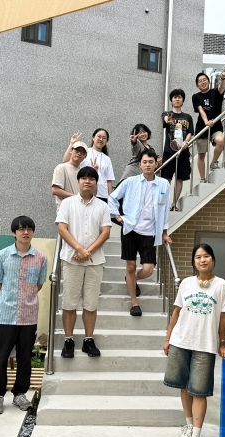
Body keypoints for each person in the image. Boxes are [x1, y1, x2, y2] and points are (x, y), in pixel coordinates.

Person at [163, 243, 225, 437]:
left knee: (199, 391)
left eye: (206, 256)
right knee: (184, 386)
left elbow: (223, 317)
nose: (202, 260)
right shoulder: (186, 283)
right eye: (198, 257)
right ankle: (188, 428)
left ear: (213, 259)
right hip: (181, 341)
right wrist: (168, 338)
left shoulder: (221, 285)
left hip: (205, 344)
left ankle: (196, 436)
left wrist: (222, 343)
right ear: (193, 262)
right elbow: (176, 312)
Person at [0, 216, 48, 415]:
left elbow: (38, 284)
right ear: (14, 232)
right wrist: (7, 301)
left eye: (29, 229)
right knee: (0, 357)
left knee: (25, 357)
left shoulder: (41, 258)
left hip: (29, 315)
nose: (26, 232)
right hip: (5, 315)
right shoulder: (2, 255)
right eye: (21, 229)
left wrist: (26, 300)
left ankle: (20, 394)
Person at [109, 148, 172, 316]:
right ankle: (134, 302)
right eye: (145, 162)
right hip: (130, 229)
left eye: (151, 162)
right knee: (130, 266)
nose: (148, 165)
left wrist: (164, 233)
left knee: (148, 269)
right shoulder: (130, 182)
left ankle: (132, 279)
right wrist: (117, 215)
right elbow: (112, 197)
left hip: (150, 231)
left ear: (156, 163)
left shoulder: (164, 184)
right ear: (140, 164)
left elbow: (165, 210)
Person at [56, 166, 111, 358]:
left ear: (96, 183)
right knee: (69, 302)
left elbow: (105, 233)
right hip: (72, 260)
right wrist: (80, 249)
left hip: (95, 262)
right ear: (78, 181)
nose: (87, 181)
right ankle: (68, 340)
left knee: (91, 303)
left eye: (91, 178)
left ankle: (88, 340)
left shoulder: (103, 206)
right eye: (84, 178)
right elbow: (62, 228)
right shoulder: (67, 203)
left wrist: (87, 252)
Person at [162, 89, 194, 211]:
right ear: (171, 101)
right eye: (174, 97)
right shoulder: (166, 114)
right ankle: (164, 204)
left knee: (180, 178)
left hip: (183, 152)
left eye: (179, 97)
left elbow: (190, 132)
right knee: (167, 178)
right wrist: (168, 120)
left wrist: (186, 142)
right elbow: (165, 120)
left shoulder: (187, 117)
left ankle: (173, 204)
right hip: (169, 151)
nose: (177, 99)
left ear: (183, 100)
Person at [192, 72, 225, 182]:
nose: (202, 82)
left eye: (204, 80)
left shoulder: (215, 92)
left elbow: (221, 89)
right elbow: (200, 110)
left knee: (220, 141)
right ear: (197, 85)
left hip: (216, 126)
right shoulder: (196, 96)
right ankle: (203, 178)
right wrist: (206, 122)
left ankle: (213, 162)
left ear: (209, 81)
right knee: (201, 155)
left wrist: (222, 79)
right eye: (200, 81)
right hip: (202, 128)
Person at [63, 128, 115, 203]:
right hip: (87, 192)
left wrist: (111, 198)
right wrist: (72, 143)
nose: (101, 139)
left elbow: (109, 180)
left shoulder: (107, 159)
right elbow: (66, 161)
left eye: (104, 138)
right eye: (99, 136)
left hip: (103, 195)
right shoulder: (85, 152)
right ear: (93, 137)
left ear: (106, 141)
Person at [51, 132, 87, 210]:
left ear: (85, 156)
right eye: (77, 151)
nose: (79, 153)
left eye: (82, 152)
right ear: (71, 151)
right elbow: (55, 190)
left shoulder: (82, 173)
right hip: (65, 210)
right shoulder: (61, 167)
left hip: (79, 211)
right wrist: (76, 197)